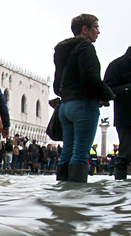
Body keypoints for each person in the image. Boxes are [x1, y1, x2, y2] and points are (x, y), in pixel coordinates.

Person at [53, 13, 114, 183]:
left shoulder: (61, 51)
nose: (98, 32)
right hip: (83, 105)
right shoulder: (85, 47)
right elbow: (91, 78)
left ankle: (61, 194)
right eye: (96, 27)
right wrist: (108, 95)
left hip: (65, 107)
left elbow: (57, 84)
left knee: (67, 152)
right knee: (80, 153)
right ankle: (75, 199)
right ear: (85, 29)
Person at [104, 47, 131, 180]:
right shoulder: (117, 65)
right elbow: (108, 89)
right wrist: (128, 88)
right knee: (126, 154)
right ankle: (120, 190)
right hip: (126, 118)